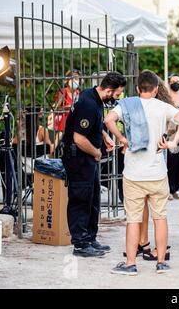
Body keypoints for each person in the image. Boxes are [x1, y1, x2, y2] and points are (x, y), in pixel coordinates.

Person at [106, 70, 179, 275]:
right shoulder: (163, 106)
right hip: (157, 172)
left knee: (133, 219)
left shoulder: (126, 104)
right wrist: (173, 142)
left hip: (133, 172)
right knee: (160, 217)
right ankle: (161, 262)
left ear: (137, 88)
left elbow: (108, 120)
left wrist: (121, 139)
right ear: (156, 89)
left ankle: (131, 264)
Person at [61, 71, 125, 257]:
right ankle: (80, 244)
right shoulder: (88, 104)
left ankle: (90, 238)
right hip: (79, 158)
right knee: (81, 199)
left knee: (93, 197)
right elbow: (79, 138)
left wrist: (104, 136)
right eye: (117, 94)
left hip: (87, 158)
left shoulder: (93, 97)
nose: (117, 98)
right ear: (108, 90)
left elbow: (93, 126)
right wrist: (96, 152)